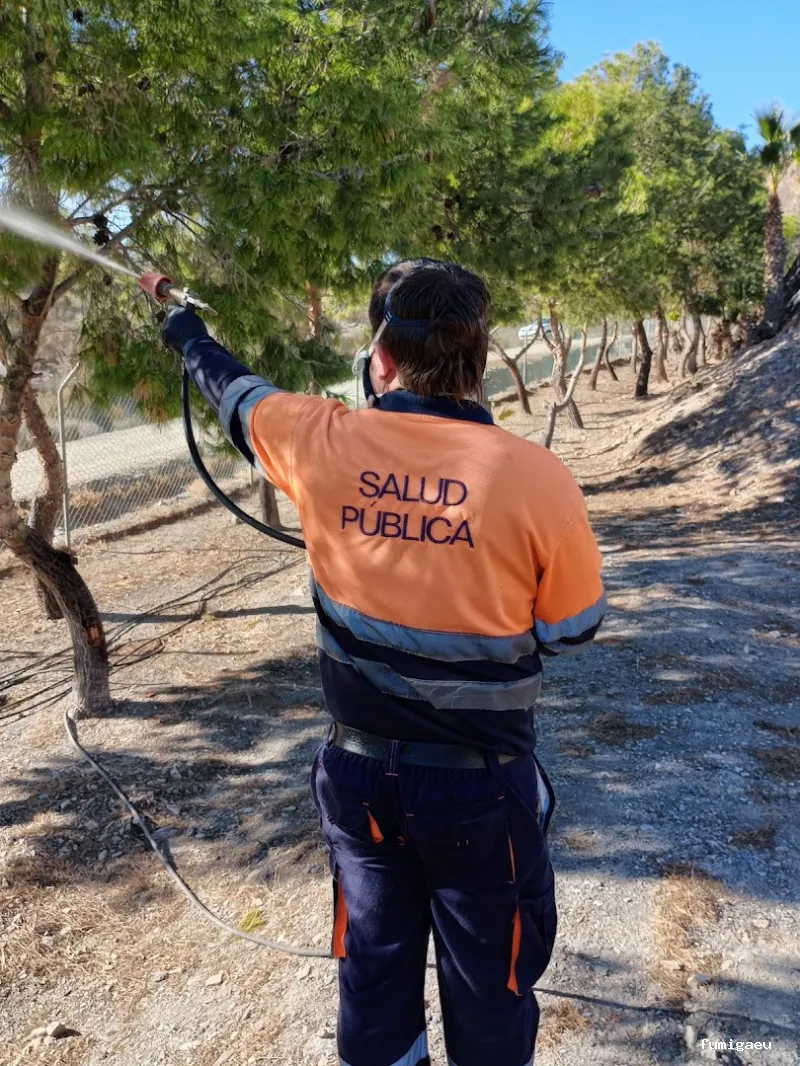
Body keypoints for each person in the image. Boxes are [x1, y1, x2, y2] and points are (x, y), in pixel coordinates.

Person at [162, 259, 605, 1066]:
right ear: (476, 363)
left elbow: (232, 391)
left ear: (383, 356)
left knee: (373, 973)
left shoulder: (318, 437)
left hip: (360, 779)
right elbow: (572, 630)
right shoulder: (537, 477)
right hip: (479, 785)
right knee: (490, 986)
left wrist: (185, 328)